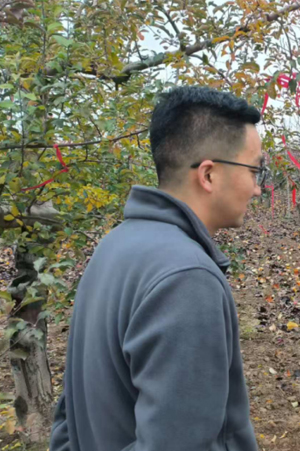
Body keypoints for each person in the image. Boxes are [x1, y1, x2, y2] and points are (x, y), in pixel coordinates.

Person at [50, 86, 266, 451]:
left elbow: (68, 418)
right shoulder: (186, 279)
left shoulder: (114, 246)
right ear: (209, 175)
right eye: (255, 170)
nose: (258, 189)